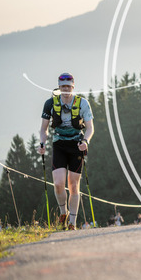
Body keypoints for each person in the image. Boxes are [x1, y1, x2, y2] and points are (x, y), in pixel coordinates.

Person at [38, 72, 94, 230]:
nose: (66, 89)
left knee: (74, 185)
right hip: (59, 144)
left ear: (73, 87)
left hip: (76, 145)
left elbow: (90, 128)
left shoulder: (82, 103)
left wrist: (85, 141)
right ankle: (64, 212)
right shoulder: (50, 103)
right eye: (63, 87)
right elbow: (43, 129)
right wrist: (42, 143)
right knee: (58, 184)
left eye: (68, 87)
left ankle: (72, 223)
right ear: (59, 87)